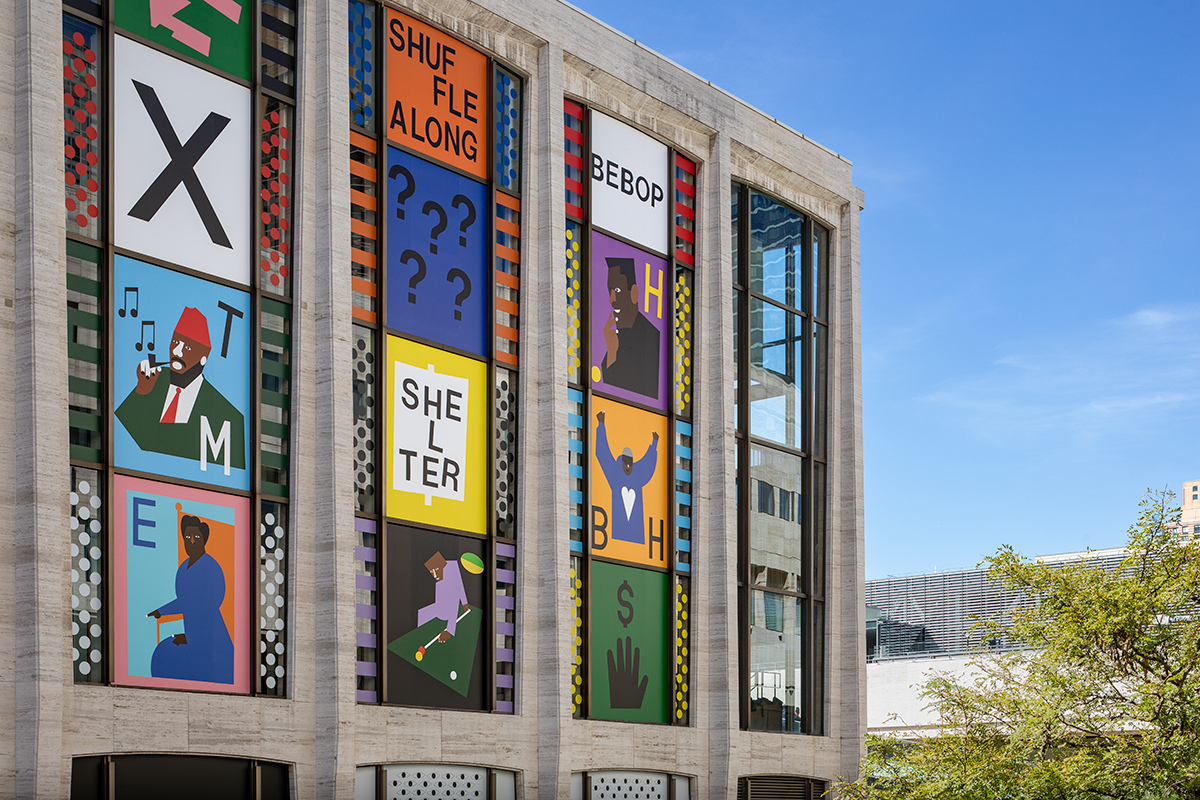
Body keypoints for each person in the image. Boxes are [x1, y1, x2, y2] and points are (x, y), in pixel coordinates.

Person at [116, 307, 245, 469]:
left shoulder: (227, 415)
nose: (177, 351)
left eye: (187, 347)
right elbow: (119, 435)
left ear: (203, 358)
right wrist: (141, 391)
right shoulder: (151, 380)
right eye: (175, 342)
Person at [147, 514, 234, 684]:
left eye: (196, 537)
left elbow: (201, 603)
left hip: (211, 639)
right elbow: (185, 601)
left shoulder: (210, 566)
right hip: (194, 634)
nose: (192, 541)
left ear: (204, 539)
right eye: (187, 537)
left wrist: (189, 636)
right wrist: (160, 612)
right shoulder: (183, 569)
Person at [598, 257, 660, 400]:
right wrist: (612, 352)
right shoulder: (616, 336)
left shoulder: (651, 337)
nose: (611, 299)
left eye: (617, 290)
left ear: (634, 293)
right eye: (610, 290)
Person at [595, 410, 658, 544]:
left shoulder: (638, 478)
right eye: (625, 463)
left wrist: (654, 444)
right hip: (617, 534)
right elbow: (603, 453)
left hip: (637, 535)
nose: (628, 466)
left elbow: (648, 465)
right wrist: (601, 425)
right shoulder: (615, 476)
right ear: (621, 463)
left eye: (630, 463)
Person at [418, 551, 469, 642]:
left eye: (436, 570)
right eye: (431, 571)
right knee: (422, 614)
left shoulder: (451, 570)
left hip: (444, 611)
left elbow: (455, 599)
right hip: (438, 609)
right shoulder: (441, 576)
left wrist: (449, 629)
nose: (434, 575)